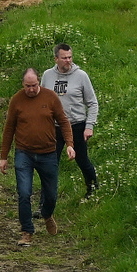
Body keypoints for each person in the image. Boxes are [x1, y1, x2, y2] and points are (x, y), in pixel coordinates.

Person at [0, 67, 74, 247]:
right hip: (24, 153)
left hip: (48, 153)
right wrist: (3, 156)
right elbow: (9, 129)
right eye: (28, 86)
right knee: (24, 193)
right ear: (23, 84)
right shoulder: (16, 100)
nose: (31, 89)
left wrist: (70, 144)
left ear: (38, 82)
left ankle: (47, 214)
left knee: (51, 194)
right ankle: (27, 231)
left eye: (34, 85)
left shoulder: (50, 98)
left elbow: (63, 121)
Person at [41, 42, 100, 200]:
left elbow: (93, 103)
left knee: (82, 160)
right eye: (64, 58)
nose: (68, 60)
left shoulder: (81, 76)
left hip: (76, 125)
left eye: (70, 57)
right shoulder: (47, 76)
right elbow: (41, 102)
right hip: (54, 128)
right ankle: (45, 202)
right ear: (56, 59)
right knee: (50, 164)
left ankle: (93, 190)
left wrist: (89, 126)